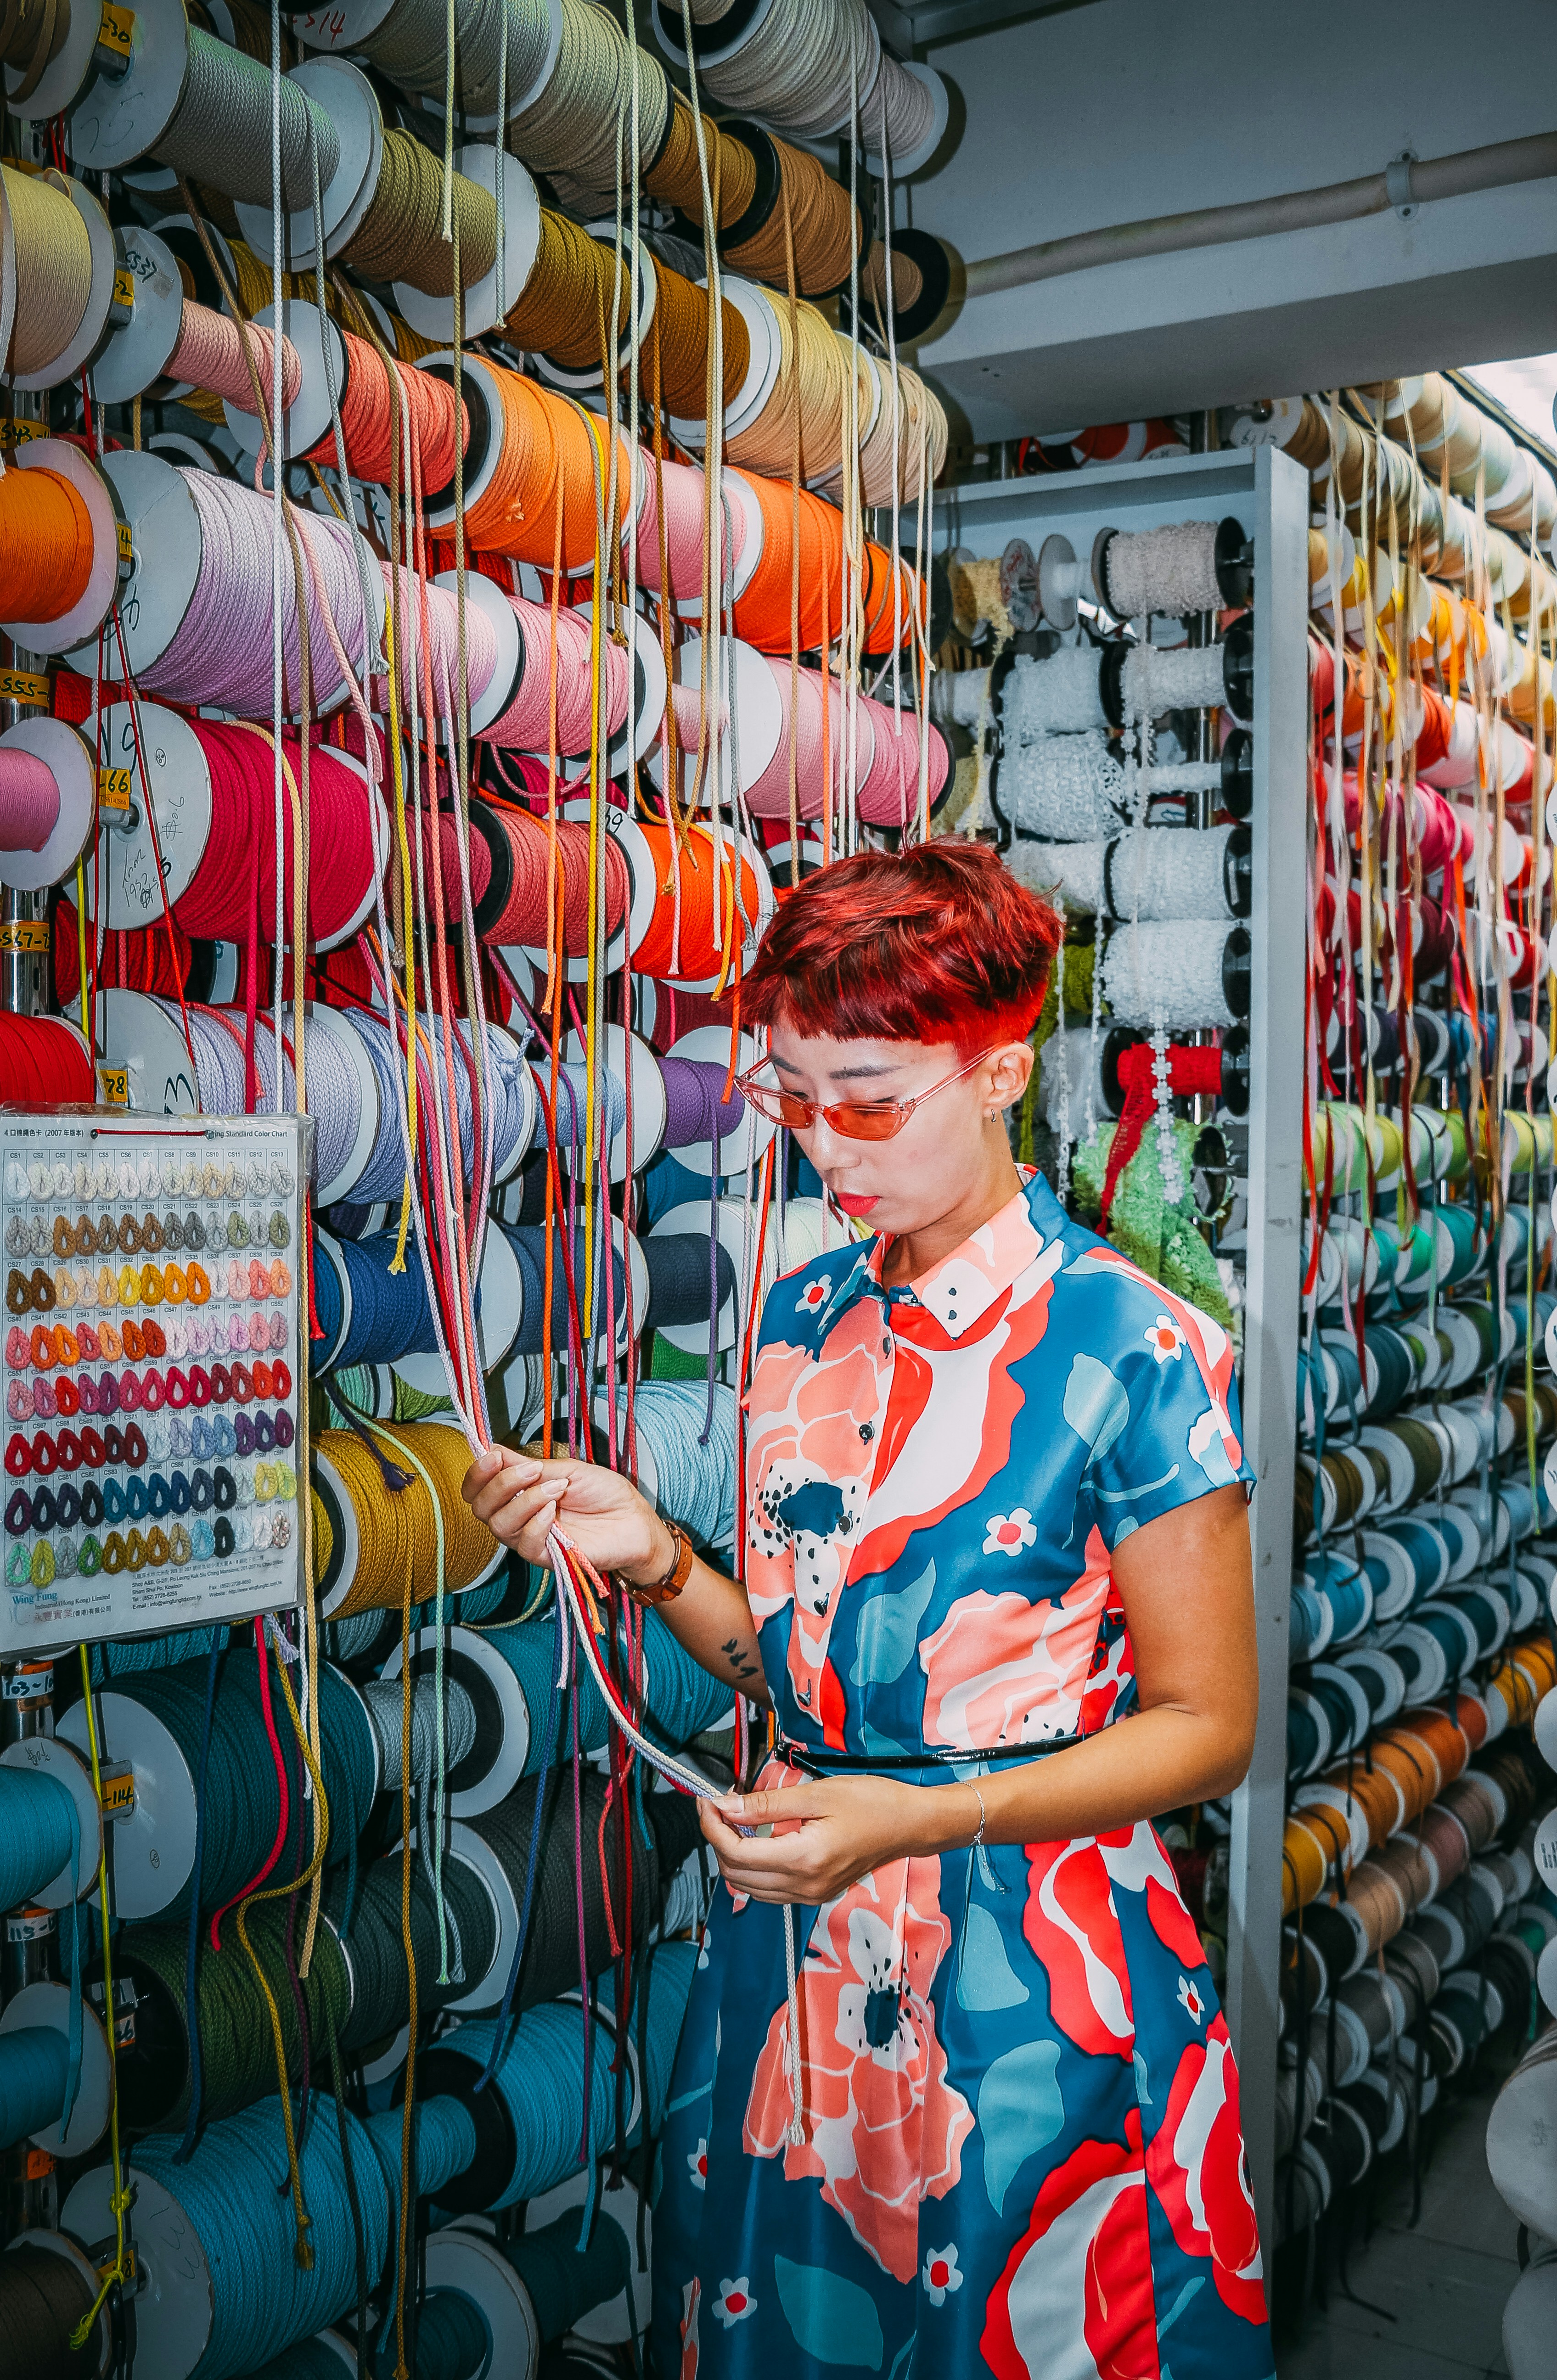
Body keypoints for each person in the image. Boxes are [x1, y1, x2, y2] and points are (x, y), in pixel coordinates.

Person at [463, 840, 1271, 2379]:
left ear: (1001, 1074)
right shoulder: (803, 1320)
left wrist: (905, 1825)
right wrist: (655, 1558)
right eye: (789, 1095)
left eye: (872, 1099)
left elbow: (1210, 1731)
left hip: (1029, 1990)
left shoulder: (1135, 1348)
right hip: (801, 1975)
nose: (828, 1145)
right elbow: (805, 1688)